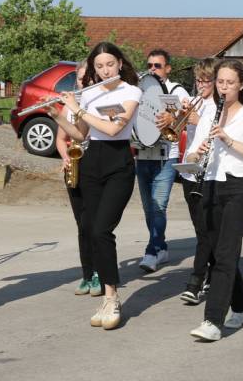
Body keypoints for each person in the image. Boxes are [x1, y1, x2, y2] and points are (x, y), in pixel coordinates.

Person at [50, 42, 141, 330]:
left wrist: (78, 108)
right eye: (99, 67)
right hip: (91, 163)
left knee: (103, 229)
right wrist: (58, 116)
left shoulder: (131, 92)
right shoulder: (90, 93)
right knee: (90, 229)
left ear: (120, 64)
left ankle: (111, 297)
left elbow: (114, 128)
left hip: (118, 163)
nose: (105, 71)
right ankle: (104, 298)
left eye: (110, 65)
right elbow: (80, 134)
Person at [187, 59, 243, 341]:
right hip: (209, 184)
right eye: (220, 82)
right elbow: (190, 154)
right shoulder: (208, 113)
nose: (223, 88)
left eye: (230, 83)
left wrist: (229, 139)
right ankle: (242, 305)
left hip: (238, 186)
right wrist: (197, 153)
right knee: (216, 252)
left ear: (241, 85)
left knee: (226, 254)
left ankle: (212, 321)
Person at [136, 49, 191, 272]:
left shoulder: (177, 90)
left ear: (168, 68)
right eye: (149, 65)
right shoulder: (140, 89)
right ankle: (161, 247)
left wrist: (174, 117)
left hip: (166, 156)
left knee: (159, 207)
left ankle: (152, 251)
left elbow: (188, 117)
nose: (152, 69)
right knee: (148, 208)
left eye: (157, 66)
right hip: (142, 155)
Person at [53, 64, 102, 297]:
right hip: (74, 166)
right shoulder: (68, 106)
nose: (84, 81)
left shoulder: (99, 103)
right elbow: (60, 139)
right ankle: (87, 274)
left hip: (96, 166)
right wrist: (65, 157)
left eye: (88, 77)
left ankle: (100, 272)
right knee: (82, 224)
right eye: (81, 78)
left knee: (94, 223)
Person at [179, 58, 220, 305]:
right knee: (201, 230)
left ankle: (195, 282)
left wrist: (197, 119)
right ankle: (213, 275)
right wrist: (176, 118)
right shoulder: (195, 103)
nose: (201, 85)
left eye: (206, 80)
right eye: (198, 80)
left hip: (209, 172)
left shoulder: (219, 106)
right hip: (188, 171)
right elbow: (176, 132)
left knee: (206, 230)